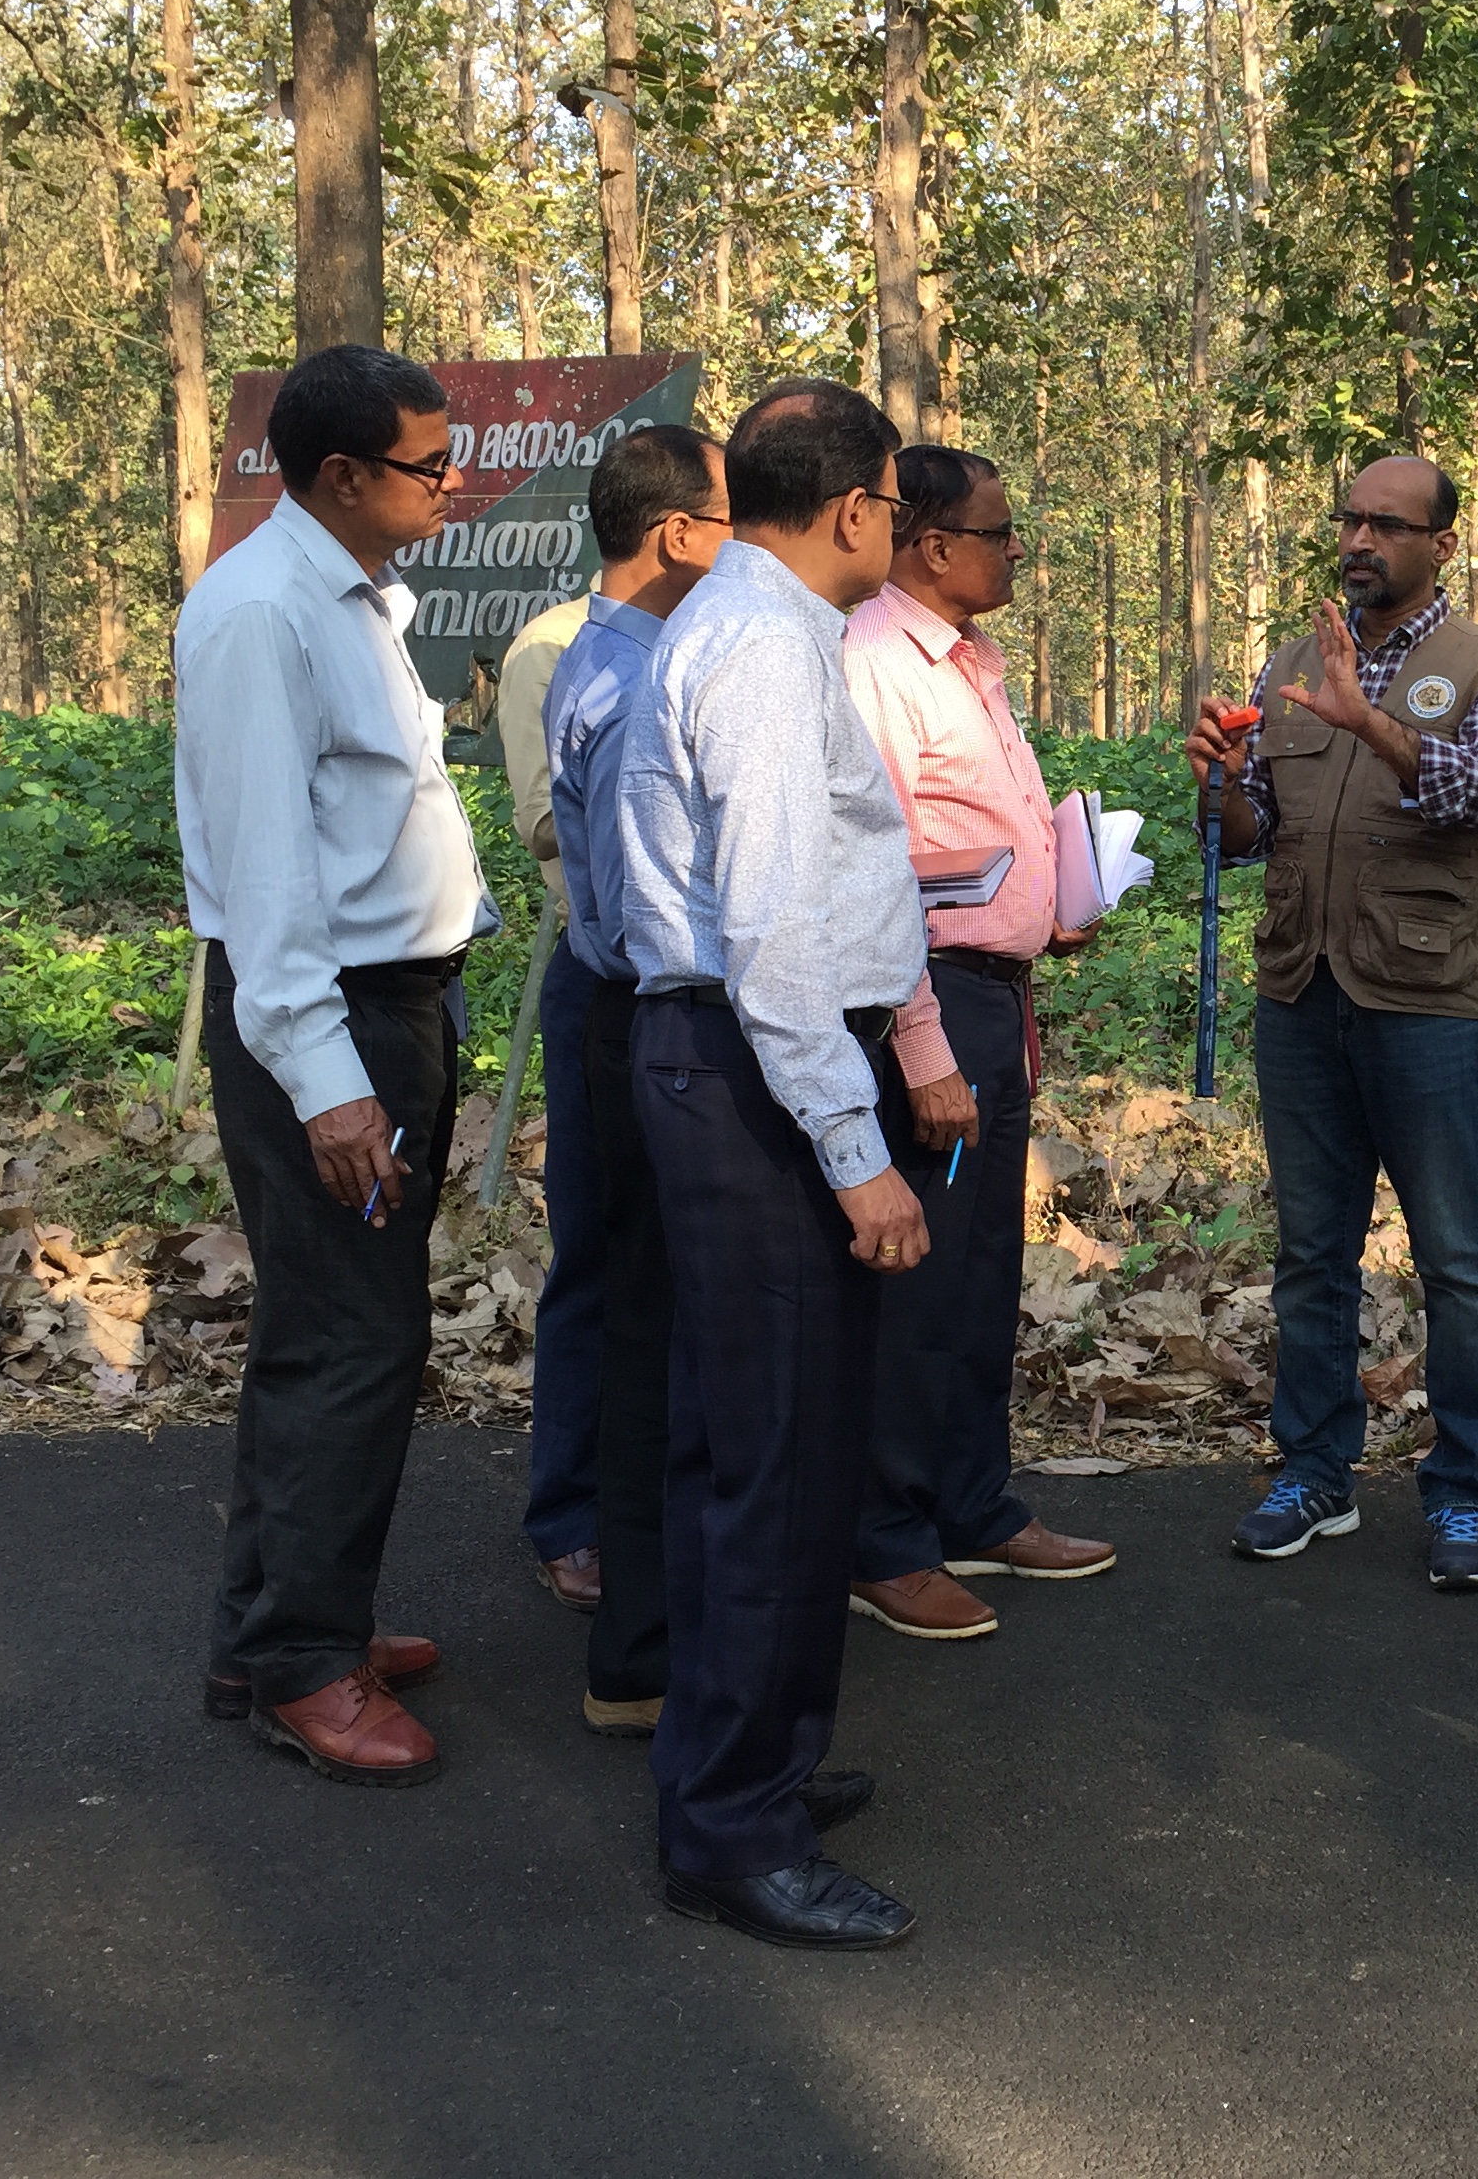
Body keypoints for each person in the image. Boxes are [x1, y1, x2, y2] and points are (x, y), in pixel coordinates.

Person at [617, 377, 925, 1950]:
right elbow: (777, 932)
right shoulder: (754, 646)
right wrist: (855, 1149)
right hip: (761, 1070)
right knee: (772, 1460)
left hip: (753, 1065)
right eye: (896, 498)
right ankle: (731, 1826)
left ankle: (758, 1766)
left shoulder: (769, 625)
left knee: (763, 1441)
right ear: (859, 503)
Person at [176, 344, 497, 1785]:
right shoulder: (260, 615)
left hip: (394, 1006)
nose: (456, 483)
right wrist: (329, 1080)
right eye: (431, 465)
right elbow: (265, 879)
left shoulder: (354, 596)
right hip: (336, 1021)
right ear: (342, 475)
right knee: (353, 1340)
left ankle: (281, 1624)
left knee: (332, 1328)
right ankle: (307, 1660)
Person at [1184, 454, 1478, 1593]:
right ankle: (1314, 1470)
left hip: (1425, 1003)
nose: (1360, 541)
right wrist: (1226, 777)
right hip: (1300, 993)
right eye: (1351, 520)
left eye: (1388, 525)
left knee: (1455, 1257)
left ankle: (1465, 1492)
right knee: (1310, 1252)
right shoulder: (1292, 664)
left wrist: (1374, 722)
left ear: (1442, 544)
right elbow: (1248, 838)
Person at [840, 447, 1117, 1643]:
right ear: (932, 546)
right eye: (1001, 536)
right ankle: (885, 1536)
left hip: (995, 996)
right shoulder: (873, 669)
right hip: (930, 1002)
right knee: (918, 1277)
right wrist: (923, 1048)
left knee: (980, 1271)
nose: (1017, 555)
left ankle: (970, 1501)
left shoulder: (974, 666)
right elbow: (872, 871)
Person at [543, 423, 728, 1737]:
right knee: (652, 1318)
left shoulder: (614, 658)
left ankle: (643, 1618)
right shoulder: (633, 683)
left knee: (634, 1305)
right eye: (727, 519)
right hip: (642, 1014)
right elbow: (662, 916)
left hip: (615, 1001)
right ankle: (646, 1640)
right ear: (674, 535)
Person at [499, 587, 606, 1613]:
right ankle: (571, 1515)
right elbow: (545, 824)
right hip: (605, 972)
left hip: (710, 992)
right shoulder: (551, 650)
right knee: (598, 1257)